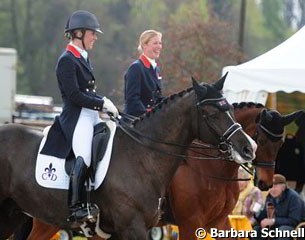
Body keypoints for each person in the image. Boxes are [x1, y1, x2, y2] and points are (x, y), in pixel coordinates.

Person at [40, 10, 118, 222]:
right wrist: (102, 102)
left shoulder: (83, 58)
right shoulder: (67, 60)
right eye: (92, 33)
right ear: (79, 33)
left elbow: (89, 92)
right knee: (84, 154)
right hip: (75, 118)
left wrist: (106, 105)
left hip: (91, 115)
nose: (95, 37)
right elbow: (75, 95)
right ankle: (76, 207)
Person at [124, 29, 164, 117]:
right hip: (136, 121)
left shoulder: (156, 69)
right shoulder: (136, 68)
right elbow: (132, 101)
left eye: (160, 43)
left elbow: (157, 98)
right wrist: (150, 116)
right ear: (144, 45)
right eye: (155, 43)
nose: (159, 46)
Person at [253, 174, 305, 239]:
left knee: (282, 232)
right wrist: (256, 212)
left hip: (294, 227)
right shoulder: (269, 197)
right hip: (276, 225)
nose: (272, 189)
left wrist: (273, 221)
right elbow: (264, 217)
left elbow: (294, 221)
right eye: (271, 187)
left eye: (275, 186)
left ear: (283, 187)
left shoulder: (293, 197)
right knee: (256, 230)